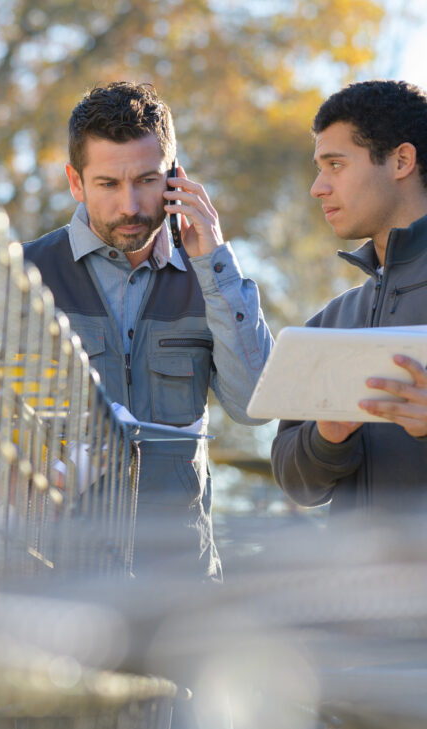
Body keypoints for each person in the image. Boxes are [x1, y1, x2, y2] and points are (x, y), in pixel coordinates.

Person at [23, 82, 273, 580]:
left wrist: (216, 264)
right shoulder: (23, 273)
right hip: (52, 577)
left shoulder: (214, 278)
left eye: (146, 180)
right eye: (108, 185)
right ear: (76, 182)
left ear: (175, 178)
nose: (131, 206)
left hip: (181, 584)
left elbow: (254, 405)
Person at [271, 79, 427, 514]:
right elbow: (292, 478)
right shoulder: (330, 322)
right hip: (353, 579)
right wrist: (327, 439)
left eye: (335, 164)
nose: (318, 187)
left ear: (401, 160)